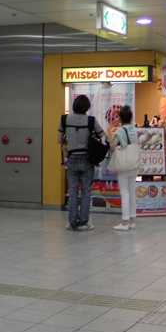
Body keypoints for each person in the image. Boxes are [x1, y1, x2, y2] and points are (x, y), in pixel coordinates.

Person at [57, 95, 105, 231]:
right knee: (86, 192)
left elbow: (59, 140)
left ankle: (72, 223)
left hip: (72, 159)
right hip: (87, 160)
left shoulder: (64, 119)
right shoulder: (91, 120)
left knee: (73, 191)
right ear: (87, 107)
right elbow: (103, 136)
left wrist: (71, 141)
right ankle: (83, 223)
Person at [110, 106, 140, 231]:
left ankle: (125, 222)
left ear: (120, 118)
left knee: (124, 193)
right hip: (134, 164)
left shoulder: (120, 131)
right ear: (131, 118)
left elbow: (113, 146)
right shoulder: (135, 130)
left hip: (124, 164)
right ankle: (132, 221)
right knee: (131, 191)